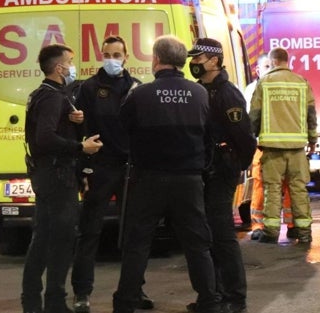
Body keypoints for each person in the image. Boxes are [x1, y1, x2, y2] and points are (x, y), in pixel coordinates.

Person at [113, 35, 221, 313]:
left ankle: (126, 301)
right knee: (197, 243)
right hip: (189, 179)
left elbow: (121, 130)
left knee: (137, 242)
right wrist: (202, 168)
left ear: (157, 60)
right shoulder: (200, 94)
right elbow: (211, 137)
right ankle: (209, 300)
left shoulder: (140, 94)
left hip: (149, 179)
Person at [22, 44, 103, 313]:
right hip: (57, 176)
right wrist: (81, 147)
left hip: (49, 175)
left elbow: (51, 128)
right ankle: (54, 301)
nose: (72, 67)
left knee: (44, 237)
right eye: (69, 62)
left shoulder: (48, 94)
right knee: (61, 240)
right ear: (59, 68)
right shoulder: (52, 97)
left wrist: (74, 121)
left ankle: (33, 301)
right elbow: (45, 138)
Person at [71, 36, 141, 313]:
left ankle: (135, 290)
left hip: (129, 169)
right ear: (102, 55)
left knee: (134, 234)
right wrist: (82, 170)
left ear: (126, 56)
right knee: (89, 232)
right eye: (108, 53)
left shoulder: (136, 88)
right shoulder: (88, 88)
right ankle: (81, 293)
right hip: (99, 167)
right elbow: (79, 129)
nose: (112, 58)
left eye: (117, 54)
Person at [187, 37, 256, 313]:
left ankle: (235, 298)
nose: (193, 63)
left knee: (222, 234)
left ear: (214, 60)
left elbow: (245, 138)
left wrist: (235, 165)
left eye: (198, 58)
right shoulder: (199, 90)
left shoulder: (227, 93)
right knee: (206, 235)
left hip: (221, 170)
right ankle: (213, 296)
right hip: (204, 170)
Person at [249, 47, 316, 244]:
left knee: (272, 189)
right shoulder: (302, 83)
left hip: (272, 148)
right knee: (299, 190)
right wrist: (312, 140)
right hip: (297, 149)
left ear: (273, 62)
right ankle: (304, 232)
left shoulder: (264, 82)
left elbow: (254, 114)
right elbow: (311, 113)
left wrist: (251, 138)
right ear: (287, 61)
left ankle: (271, 232)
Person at [243, 55, 295, 240]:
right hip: (261, 145)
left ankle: (292, 224)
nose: (270, 69)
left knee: (288, 185)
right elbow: (249, 120)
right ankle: (258, 225)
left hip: (282, 144)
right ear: (258, 70)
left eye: (271, 65)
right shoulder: (251, 90)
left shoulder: (280, 86)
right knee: (259, 185)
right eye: (266, 66)